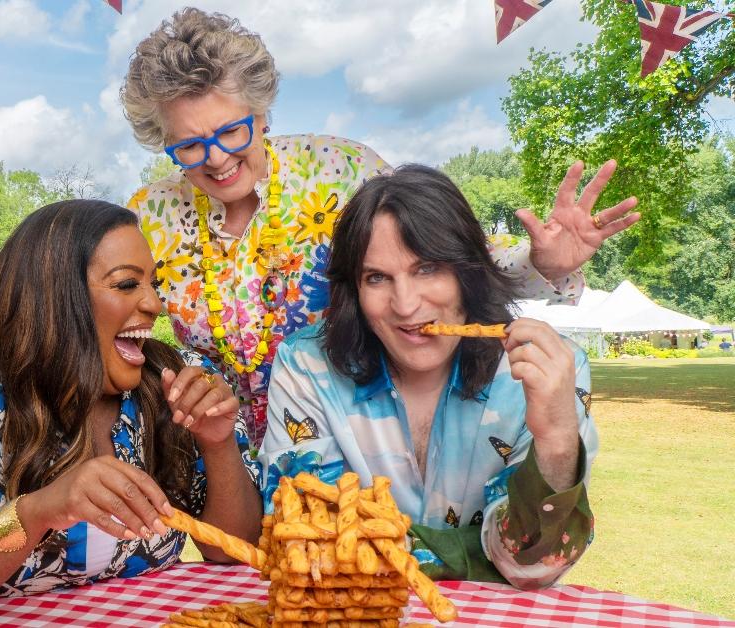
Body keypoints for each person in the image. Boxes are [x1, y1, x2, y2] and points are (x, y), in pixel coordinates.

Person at [121, 8, 639, 443]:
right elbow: (113, 315)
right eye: (189, 145)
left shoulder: (337, 167)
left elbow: (445, 260)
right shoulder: (150, 216)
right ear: (160, 139)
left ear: (260, 114)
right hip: (225, 450)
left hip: (356, 442)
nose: (216, 159)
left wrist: (540, 262)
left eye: (231, 131)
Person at [0, 200, 262, 622]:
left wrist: (217, 442)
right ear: (58, 296)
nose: (154, 304)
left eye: (153, 283)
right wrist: (37, 512)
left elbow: (231, 549)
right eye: (127, 284)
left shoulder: (170, 379)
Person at [260, 165, 597, 590]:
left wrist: (557, 442)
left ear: (469, 271)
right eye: (377, 277)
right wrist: (474, 553)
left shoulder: (552, 369)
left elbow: (532, 564)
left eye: (428, 269)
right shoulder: (305, 365)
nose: (405, 305)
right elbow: (307, 540)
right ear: (353, 291)